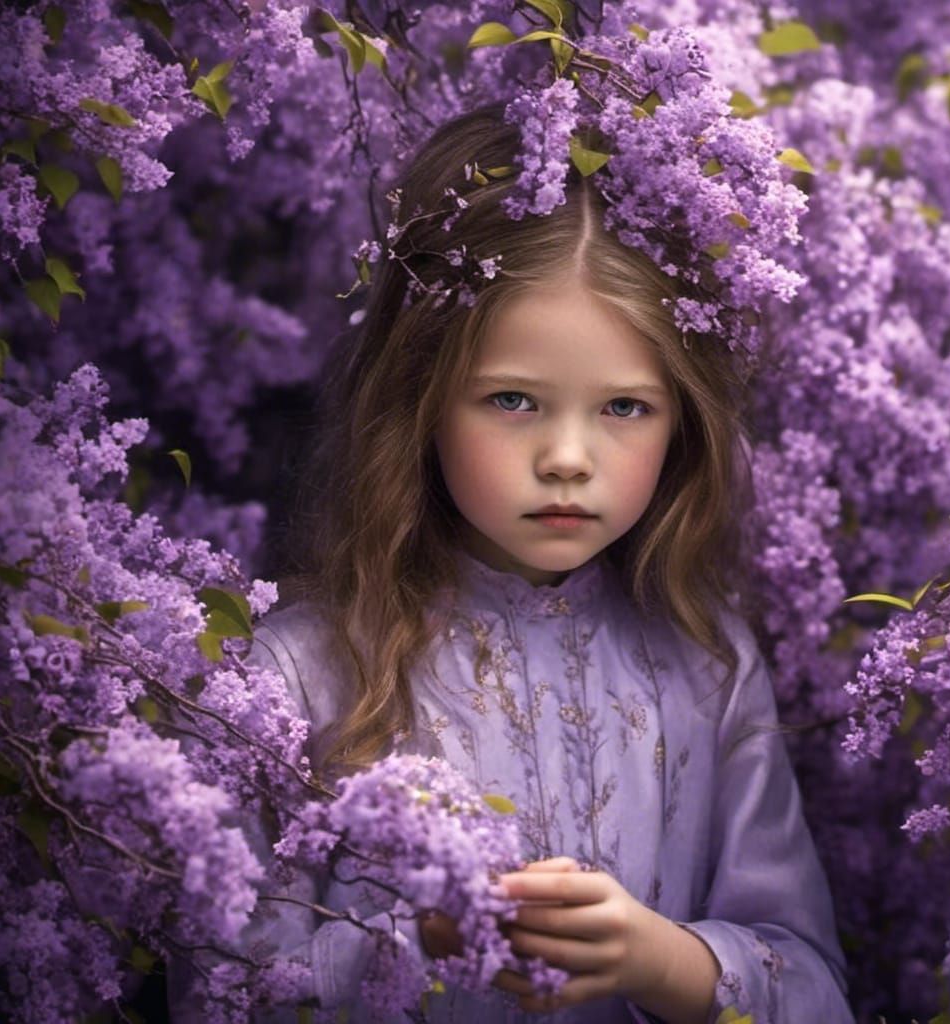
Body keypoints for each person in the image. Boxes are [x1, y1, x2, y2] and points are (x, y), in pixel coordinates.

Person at [170, 102, 854, 1024]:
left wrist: (659, 959)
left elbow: (811, 984)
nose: (568, 457)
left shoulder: (706, 663)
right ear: (421, 401)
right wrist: (418, 944)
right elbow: (219, 991)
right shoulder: (298, 680)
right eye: (513, 399)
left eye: (624, 408)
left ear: (683, 422)